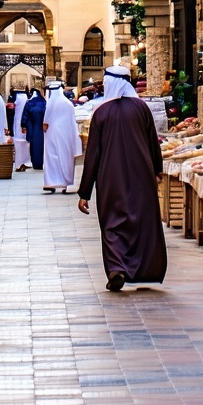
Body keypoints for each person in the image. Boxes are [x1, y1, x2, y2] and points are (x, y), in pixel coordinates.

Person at [77, 66, 166, 292]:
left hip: (110, 177)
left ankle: (117, 268)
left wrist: (84, 192)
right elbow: (152, 142)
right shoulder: (141, 108)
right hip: (141, 175)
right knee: (139, 221)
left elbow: (93, 154)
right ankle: (142, 269)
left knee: (112, 223)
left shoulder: (101, 112)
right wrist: (157, 169)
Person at [42, 80, 82, 194]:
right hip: (67, 134)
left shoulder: (50, 104)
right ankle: (65, 183)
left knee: (52, 157)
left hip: (52, 134)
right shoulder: (68, 103)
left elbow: (45, 123)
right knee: (65, 157)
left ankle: (50, 182)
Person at [21, 87, 46, 170]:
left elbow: (25, 116)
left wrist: (23, 125)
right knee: (42, 145)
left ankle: (35, 163)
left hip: (33, 127)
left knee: (34, 146)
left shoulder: (29, 103)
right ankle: (41, 162)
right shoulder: (43, 102)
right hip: (42, 128)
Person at [12, 90, 31, 172]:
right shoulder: (26, 102)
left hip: (19, 129)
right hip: (21, 129)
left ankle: (21, 163)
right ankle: (23, 163)